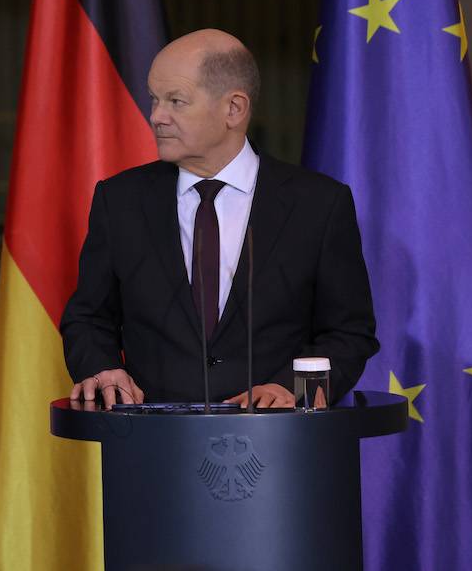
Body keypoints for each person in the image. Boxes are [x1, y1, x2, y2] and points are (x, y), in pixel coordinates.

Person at [61, 29, 378, 408]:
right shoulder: (120, 200)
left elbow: (348, 333)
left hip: (279, 447)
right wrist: (102, 367)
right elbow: (88, 317)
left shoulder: (318, 204)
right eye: (154, 99)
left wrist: (290, 389)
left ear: (234, 109)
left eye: (176, 101)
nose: (156, 116)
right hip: (150, 445)